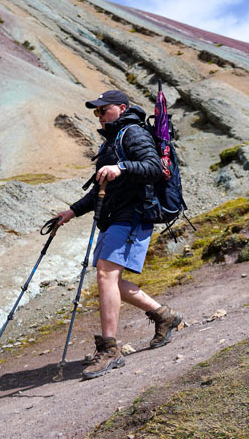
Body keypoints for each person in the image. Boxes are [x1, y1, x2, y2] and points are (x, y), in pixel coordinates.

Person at [56, 89, 183, 380]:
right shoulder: (112, 141)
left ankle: (111, 349)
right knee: (110, 279)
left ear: (121, 108)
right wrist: (72, 212)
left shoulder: (133, 133)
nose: (99, 116)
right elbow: (103, 188)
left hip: (134, 214)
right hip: (116, 216)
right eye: (96, 112)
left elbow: (154, 168)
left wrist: (122, 166)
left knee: (105, 275)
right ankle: (165, 316)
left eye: (104, 110)